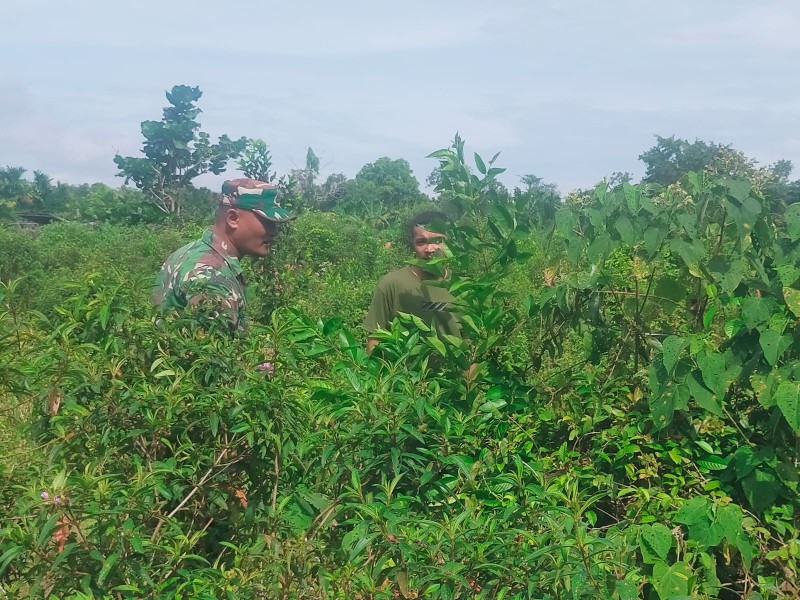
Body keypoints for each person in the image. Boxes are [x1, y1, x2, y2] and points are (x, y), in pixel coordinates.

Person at [152, 178, 295, 334]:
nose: (274, 232)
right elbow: (214, 353)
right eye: (267, 222)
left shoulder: (187, 252)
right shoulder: (212, 278)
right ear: (233, 219)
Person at [364, 210, 460, 354]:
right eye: (421, 242)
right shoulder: (392, 284)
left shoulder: (462, 286)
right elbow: (375, 340)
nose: (429, 249)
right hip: (406, 375)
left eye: (438, 241)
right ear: (412, 245)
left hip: (454, 375)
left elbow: (471, 345)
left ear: (449, 243)